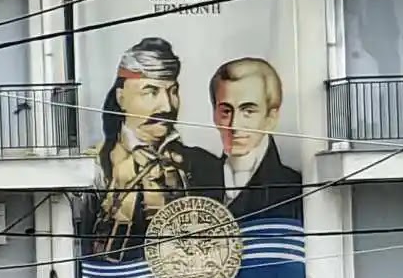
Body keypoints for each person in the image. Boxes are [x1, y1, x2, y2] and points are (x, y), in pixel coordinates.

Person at [83, 37, 223, 262]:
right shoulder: (95, 166)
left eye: (173, 92)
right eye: (151, 92)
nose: (167, 106)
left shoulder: (205, 165)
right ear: (121, 98)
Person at [209, 56, 303, 222]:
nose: (235, 125)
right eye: (226, 111)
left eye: (248, 111)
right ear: (214, 115)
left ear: (271, 118)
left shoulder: (295, 189)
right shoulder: (198, 180)